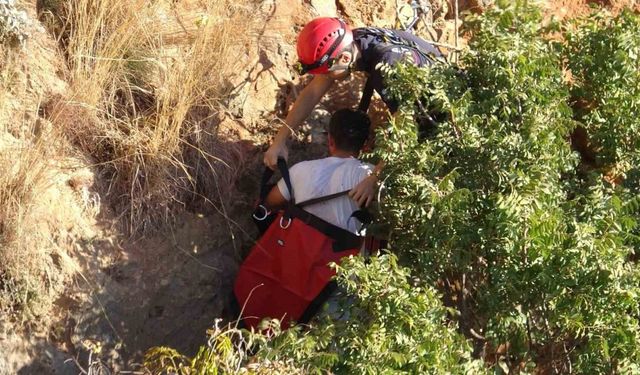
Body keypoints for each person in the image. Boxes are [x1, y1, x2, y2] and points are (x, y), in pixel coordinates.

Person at [264, 17, 444, 206]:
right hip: (425, 97)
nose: (325, 78)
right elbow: (313, 92)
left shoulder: (387, 66)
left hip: (445, 117)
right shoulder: (355, 40)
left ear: (345, 58)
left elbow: (406, 128)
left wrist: (374, 179)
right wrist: (279, 141)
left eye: (327, 72)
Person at [264, 108, 373, 234]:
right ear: (365, 147)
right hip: (345, 252)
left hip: (298, 247)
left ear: (330, 140)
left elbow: (270, 202)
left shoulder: (300, 169)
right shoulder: (371, 176)